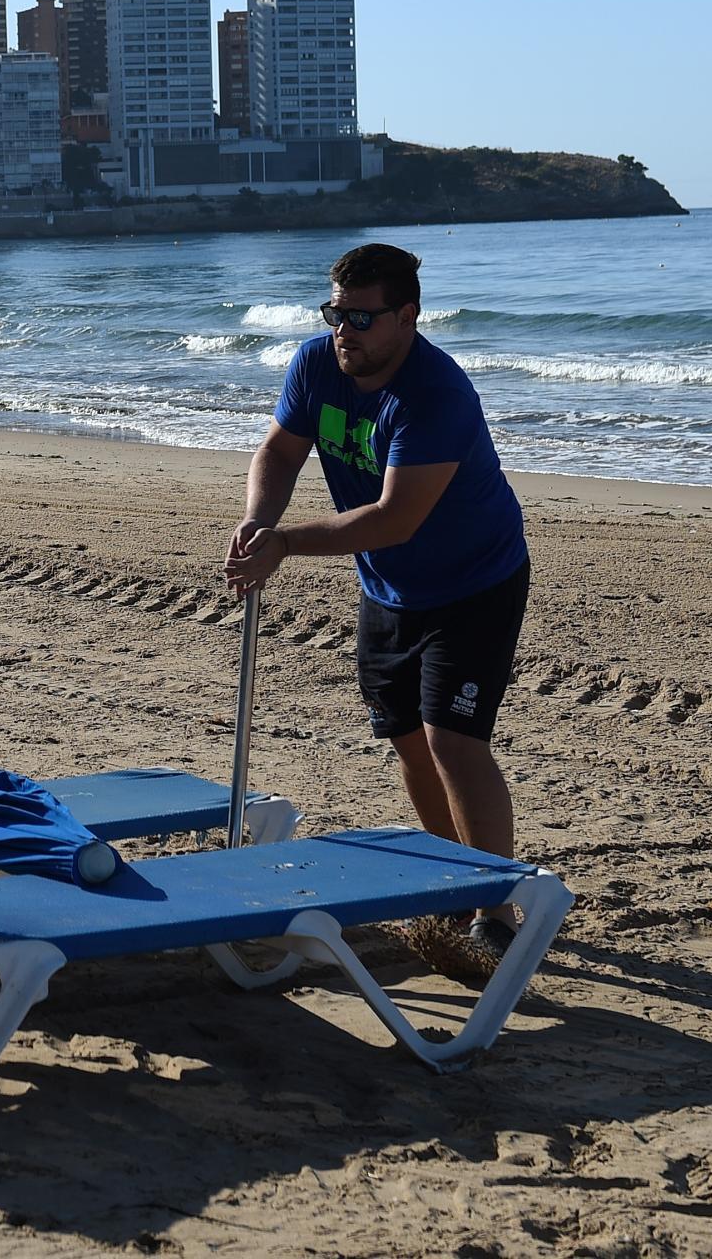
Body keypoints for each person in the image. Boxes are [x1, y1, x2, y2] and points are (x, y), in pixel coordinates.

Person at [223, 242, 530, 966]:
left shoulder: (435, 394)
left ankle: (493, 908)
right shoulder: (315, 365)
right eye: (334, 312)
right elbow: (277, 452)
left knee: (453, 739)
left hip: (473, 582)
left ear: (407, 316)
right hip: (386, 585)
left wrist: (287, 543)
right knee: (407, 739)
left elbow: (397, 517)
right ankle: (450, 879)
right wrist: (260, 521)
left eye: (361, 317)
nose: (343, 330)